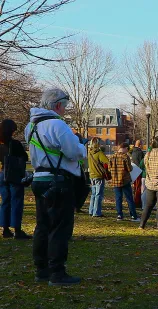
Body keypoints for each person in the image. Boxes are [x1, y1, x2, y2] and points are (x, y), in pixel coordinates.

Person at [26, 88, 87, 285]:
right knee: (60, 227)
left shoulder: (31, 126)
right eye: (65, 106)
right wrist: (81, 147)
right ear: (59, 105)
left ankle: (41, 269)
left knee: (42, 225)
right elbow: (72, 152)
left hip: (39, 179)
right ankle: (57, 272)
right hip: (59, 181)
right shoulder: (58, 125)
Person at [0, 119, 29, 239]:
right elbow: (24, 157)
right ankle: (17, 229)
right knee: (16, 201)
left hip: (2, 174)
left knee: (5, 201)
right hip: (14, 175)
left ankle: (5, 229)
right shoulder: (15, 144)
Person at [109, 143, 139, 222]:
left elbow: (109, 168)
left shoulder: (112, 157)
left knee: (118, 198)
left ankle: (119, 215)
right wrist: (132, 167)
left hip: (115, 180)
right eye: (127, 149)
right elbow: (129, 169)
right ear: (125, 148)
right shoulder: (125, 157)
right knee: (129, 198)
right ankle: (133, 215)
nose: (127, 151)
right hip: (124, 180)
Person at [87, 138, 109, 218]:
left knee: (93, 194)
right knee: (98, 194)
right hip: (99, 175)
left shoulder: (89, 153)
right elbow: (107, 161)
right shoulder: (99, 153)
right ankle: (96, 212)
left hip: (91, 175)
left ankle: (91, 210)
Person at [130, 140, 144, 208]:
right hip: (138, 171)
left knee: (135, 187)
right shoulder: (140, 152)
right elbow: (142, 162)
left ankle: (134, 200)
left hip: (134, 170)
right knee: (138, 187)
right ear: (140, 145)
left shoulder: (133, 151)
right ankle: (137, 202)